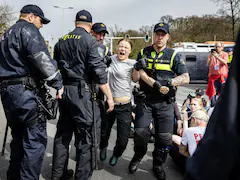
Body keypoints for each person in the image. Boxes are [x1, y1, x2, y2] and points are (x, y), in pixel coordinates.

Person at [0, 5, 64, 180]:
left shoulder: (6, 34)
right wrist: (58, 83)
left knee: (18, 139)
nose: (41, 25)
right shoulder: (28, 29)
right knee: (34, 142)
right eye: (40, 20)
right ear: (30, 17)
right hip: (26, 93)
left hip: (8, 93)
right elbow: (42, 59)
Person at [51, 10, 114, 180]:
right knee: (87, 138)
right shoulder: (91, 42)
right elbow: (100, 73)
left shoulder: (61, 41)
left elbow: (54, 67)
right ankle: (82, 176)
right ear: (90, 26)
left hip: (65, 91)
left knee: (63, 135)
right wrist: (109, 97)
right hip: (82, 93)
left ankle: (58, 175)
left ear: (75, 22)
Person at [129, 22, 190, 180]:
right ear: (153, 35)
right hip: (146, 102)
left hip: (165, 103)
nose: (160, 37)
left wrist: (169, 83)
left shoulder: (174, 55)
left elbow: (186, 78)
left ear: (168, 37)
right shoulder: (143, 51)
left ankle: (157, 164)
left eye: (163, 34)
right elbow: (135, 78)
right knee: (140, 135)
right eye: (157, 34)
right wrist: (136, 66)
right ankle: (138, 155)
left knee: (164, 139)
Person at [99, 38, 135, 166]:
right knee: (103, 133)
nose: (122, 49)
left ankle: (116, 154)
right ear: (117, 48)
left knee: (123, 140)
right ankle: (103, 147)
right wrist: (104, 63)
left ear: (130, 51)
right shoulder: (110, 59)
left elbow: (136, 80)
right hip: (109, 102)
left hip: (124, 105)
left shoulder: (132, 64)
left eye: (126, 47)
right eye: (121, 46)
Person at [206, 42, 228, 107]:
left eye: (218, 47)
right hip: (213, 77)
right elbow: (209, 64)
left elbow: (225, 62)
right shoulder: (211, 55)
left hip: (222, 77)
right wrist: (212, 57)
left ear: (222, 47)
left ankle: (222, 106)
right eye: (216, 47)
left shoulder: (225, 54)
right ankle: (213, 106)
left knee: (223, 93)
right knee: (213, 93)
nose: (217, 48)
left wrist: (217, 57)